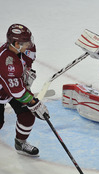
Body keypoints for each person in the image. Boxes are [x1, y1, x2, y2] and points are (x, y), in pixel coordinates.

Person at [0, 24, 49, 156]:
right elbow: (17, 92)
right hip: (5, 92)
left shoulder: (24, 49)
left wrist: (26, 73)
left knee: (27, 115)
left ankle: (20, 143)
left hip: (10, 90)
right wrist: (34, 103)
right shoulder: (7, 62)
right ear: (16, 44)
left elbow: (28, 61)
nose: (30, 44)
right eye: (25, 42)